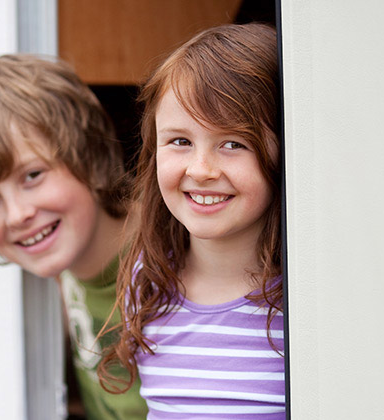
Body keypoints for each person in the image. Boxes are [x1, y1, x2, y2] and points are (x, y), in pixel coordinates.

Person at [0, 54, 148, 420]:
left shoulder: (169, 264)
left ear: (87, 155)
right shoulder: (68, 269)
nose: (17, 215)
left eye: (32, 176)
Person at [98, 23, 286, 419]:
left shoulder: (301, 303)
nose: (201, 170)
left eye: (233, 143)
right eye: (180, 141)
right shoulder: (147, 280)